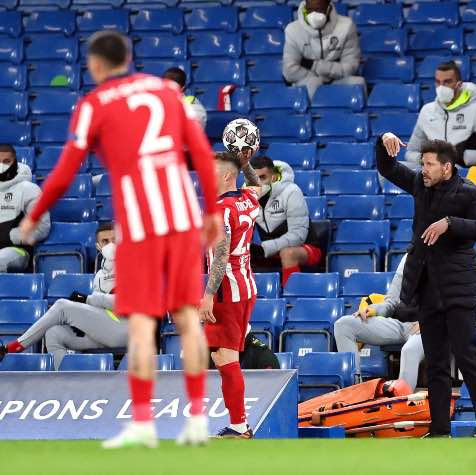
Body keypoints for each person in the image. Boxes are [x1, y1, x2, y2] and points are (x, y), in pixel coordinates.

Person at [18, 31, 222, 449]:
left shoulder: (94, 105)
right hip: (182, 217)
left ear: (94, 65)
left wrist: (33, 215)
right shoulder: (165, 92)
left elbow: (64, 169)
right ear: (129, 57)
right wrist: (212, 211)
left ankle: (144, 422)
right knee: (187, 320)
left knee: (143, 326)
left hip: (141, 225)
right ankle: (198, 417)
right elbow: (200, 152)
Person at [377, 133, 476, 438]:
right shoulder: (419, 184)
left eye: (429, 164)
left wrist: (450, 223)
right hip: (427, 291)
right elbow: (388, 169)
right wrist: (383, 143)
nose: (423, 169)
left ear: (447, 167)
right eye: (422, 163)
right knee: (437, 364)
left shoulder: (470, 193)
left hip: (459, 289)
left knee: (467, 359)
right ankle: (440, 429)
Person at [199, 151, 260, 439]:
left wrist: (209, 294)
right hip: (246, 288)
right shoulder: (247, 200)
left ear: (225, 175)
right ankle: (239, 423)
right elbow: (258, 185)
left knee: (224, 357)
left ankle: (239, 425)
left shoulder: (221, 209)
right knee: (225, 356)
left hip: (227, 292)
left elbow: (220, 257)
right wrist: (245, 163)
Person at [0, 242, 123, 369]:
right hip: (105, 330)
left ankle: (13, 347)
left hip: (126, 328)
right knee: (54, 333)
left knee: (62, 305)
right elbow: (101, 309)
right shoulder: (102, 277)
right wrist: (85, 321)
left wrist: (86, 299)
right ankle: (66, 380)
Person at [334, 254, 425, 391]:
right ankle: (353, 391)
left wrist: (429, 321)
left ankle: (400, 400)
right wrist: (374, 309)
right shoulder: (409, 256)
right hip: (400, 324)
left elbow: (458, 304)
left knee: (409, 350)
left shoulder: (451, 256)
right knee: (344, 325)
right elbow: (391, 301)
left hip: (429, 327)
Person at [404, 62, 476, 171]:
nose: (441, 87)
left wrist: (463, 156)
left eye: (447, 82)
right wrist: (429, 159)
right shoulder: (427, 111)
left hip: (462, 174)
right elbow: (410, 153)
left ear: (459, 84)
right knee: (388, 171)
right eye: (438, 82)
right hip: (433, 172)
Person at [248, 156, 322, 287]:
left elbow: (297, 236)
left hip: (305, 248)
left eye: (262, 177)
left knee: (288, 253)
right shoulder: (249, 198)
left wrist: (268, 247)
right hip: (271, 251)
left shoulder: (291, 193)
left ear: (273, 177)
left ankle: (290, 298)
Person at [282, 0, 365, 99]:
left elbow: (350, 67)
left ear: (328, 7)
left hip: (338, 80)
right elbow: (289, 70)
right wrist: (316, 79)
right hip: (308, 80)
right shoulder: (293, 30)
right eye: (309, 10)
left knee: (358, 83)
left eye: (319, 10)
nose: (313, 14)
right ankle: (310, 114)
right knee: (313, 84)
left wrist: (315, 65)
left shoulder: (346, 26)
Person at [0, 144, 50, 272]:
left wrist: (10, 235)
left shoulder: (29, 189)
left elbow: (42, 227)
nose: (2, 166)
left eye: (6, 162)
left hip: (17, 250)